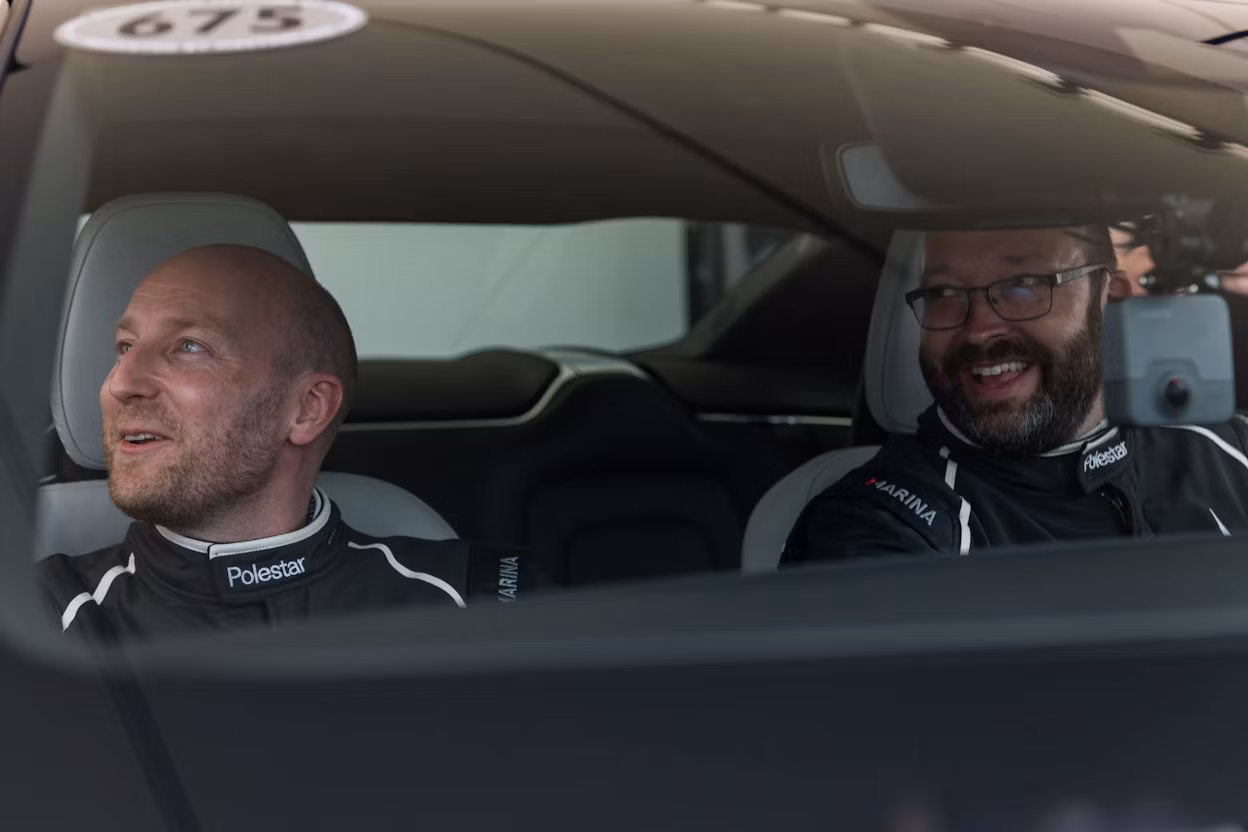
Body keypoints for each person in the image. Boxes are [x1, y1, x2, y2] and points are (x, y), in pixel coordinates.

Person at [39, 245, 542, 639]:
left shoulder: (486, 599)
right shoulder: (34, 619)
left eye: (189, 346)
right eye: (124, 347)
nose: (121, 382)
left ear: (306, 409)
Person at [783, 225, 1248, 562]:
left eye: (1023, 286)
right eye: (945, 291)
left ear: (1112, 300)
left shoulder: (1228, 450)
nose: (980, 328)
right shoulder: (884, 523)